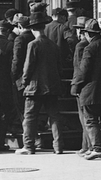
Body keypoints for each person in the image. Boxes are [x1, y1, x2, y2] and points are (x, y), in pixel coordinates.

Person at [15, 12, 64, 155]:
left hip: (34, 87)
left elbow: (28, 67)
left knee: (30, 117)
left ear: (32, 29)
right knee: (54, 116)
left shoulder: (33, 44)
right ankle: (58, 146)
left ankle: (28, 146)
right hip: (52, 86)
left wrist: (24, 82)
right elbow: (59, 67)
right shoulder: (53, 45)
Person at [78, 19, 101, 160]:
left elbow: (84, 71)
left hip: (91, 90)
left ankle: (98, 148)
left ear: (88, 34)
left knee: (91, 119)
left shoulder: (89, 48)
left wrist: (77, 86)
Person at [0, 20, 18, 152]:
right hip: (5, 83)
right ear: (7, 32)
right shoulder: (9, 45)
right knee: (4, 113)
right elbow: (13, 65)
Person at [69, 16, 91, 156]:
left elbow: (79, 68)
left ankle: (87, 146)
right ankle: (86, 145)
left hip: (82, 85)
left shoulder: (80, 46)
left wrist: (75, 86)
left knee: (84, 118)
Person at [11, 15, 34, 118]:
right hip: (34, 77)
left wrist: (13, 76)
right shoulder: (34, 37)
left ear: (20, 26)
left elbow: (17, 59)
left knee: (21, 107)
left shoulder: (19, 39)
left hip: (21, 77)